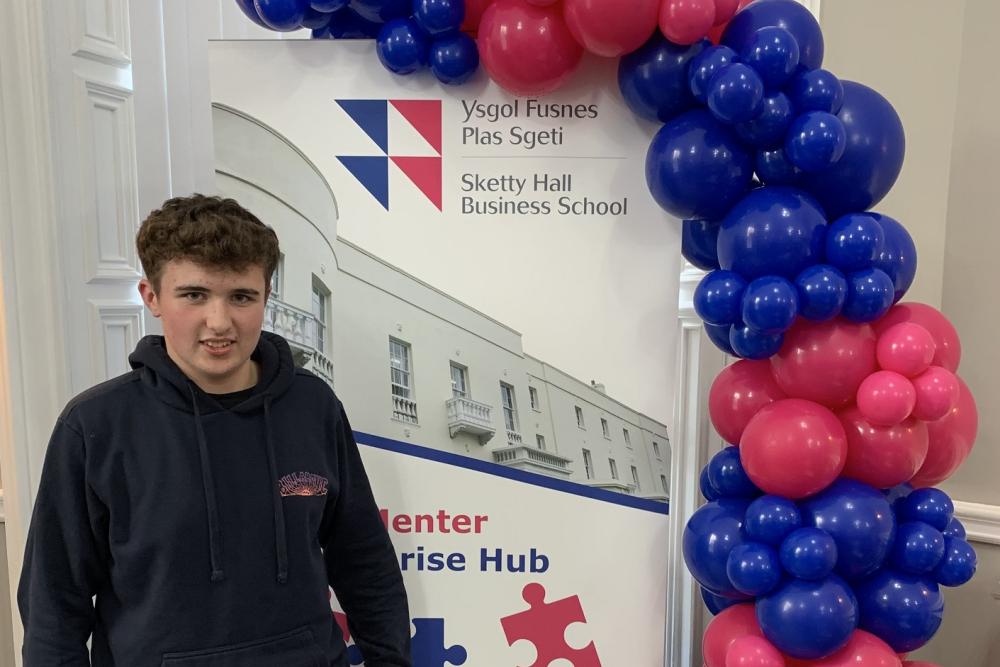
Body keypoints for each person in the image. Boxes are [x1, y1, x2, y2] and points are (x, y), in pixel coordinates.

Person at [18, 194, 412, 666]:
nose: (219, 322)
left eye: (241, 297)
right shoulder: (94, 426)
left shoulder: (313, 406)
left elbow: (364, 560)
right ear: (152, 297)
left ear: (265, 296)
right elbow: (53, 607)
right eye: (194, 295)